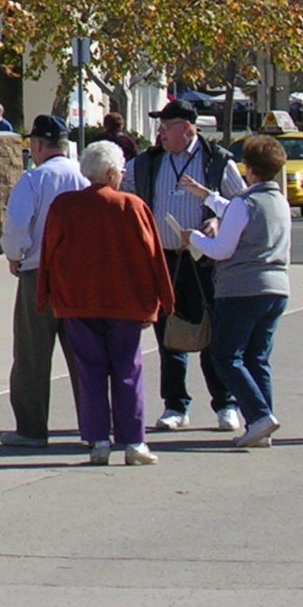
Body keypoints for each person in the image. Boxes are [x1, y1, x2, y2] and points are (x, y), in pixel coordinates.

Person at [35, 140, 173, 466]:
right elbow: (154, 255)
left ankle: (98, 440)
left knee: (90, 372)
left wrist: (46, 295)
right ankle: (134, 442)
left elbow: (49, 253)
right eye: (122, 169)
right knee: (128, 370)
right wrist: (163, 299)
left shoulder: (64, 206)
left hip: (78, 302)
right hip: (125, 303)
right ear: (112, 173)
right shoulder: (132, 206)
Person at [129, 99, 246, 433]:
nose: (160, 133)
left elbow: (241, 207)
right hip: (164, 258)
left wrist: (218, 225)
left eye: (166, 127)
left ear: (187, 128)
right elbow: (126, 196)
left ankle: (225, 403)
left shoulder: (218, 161)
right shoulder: (148, 163)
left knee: (211, 332)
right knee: (169, 333)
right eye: (160, 127)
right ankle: (175, 405)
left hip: (205, 260)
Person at [185, 134, 293, 449]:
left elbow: (221, 248)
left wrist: (192, 236)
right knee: (257, 357)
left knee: (226, 355)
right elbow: (232, 211)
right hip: (276, 287)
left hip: (241, 289)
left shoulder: (245, 203)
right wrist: (208, 196)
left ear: (248, 167)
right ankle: (262, 421)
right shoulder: (278, 201)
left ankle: (258, 416)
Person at [0, 114, 83, 447]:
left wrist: (14, 256)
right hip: (77, 276)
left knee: (32, 355)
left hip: (39, 273)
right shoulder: (83, 178)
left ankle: (32, 428)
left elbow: (17, 226)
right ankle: (93, 424)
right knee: (82, 353)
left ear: (37, 145)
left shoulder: (34, 180)